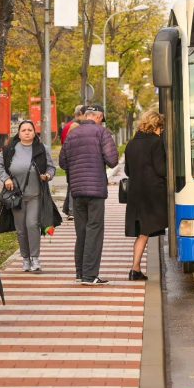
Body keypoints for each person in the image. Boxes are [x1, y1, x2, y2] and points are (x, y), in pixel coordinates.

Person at [59, 104, 119, 285]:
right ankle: (90, 276)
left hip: (76, 191)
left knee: (82, 231)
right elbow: (112, 160)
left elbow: (62, 162)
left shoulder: (72, 134)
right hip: (95, 190)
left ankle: (80, 273)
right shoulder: (102, 133)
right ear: (99, 117)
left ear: (86, 116)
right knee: (94, 230)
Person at [0, 120, 56, 272]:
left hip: (35, 195)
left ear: (35, 132)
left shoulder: (41, 148)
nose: (27, 132)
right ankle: (25, 258)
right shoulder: (9, 149)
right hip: (16, 197)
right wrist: (6, 178)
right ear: (19, 133)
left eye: (30, 130)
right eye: (24, 130)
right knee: (21, 229)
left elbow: (51, 167)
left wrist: (47, 175)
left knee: (32, 225)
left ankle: (35, 258)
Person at [124, 111, 167, 280]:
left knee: (143, 232)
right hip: (152, 194)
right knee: (145, 231)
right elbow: (161, 169)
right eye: (161, 127)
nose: (162, 131)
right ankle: (134, 269)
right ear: (156, 125)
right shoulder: (156, 143)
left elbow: (127, 170)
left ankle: (135, 269)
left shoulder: (131, 144)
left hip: (135, 193)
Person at [61, 105, 85, 220]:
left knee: (71, 185)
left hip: (68, 160)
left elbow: (63, 144)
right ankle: (71, 210)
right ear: (80, 113)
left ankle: (68, 209)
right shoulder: (76, 126)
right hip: (75, 160)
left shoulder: (67, 126)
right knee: (73, 186)